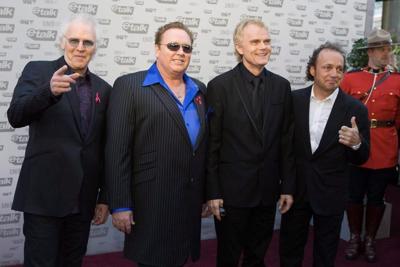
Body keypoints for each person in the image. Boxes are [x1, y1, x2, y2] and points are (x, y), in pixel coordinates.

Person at [7, 15, 110, 267]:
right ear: (62, 42)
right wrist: (47, 92)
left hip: (82, 202)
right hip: (43, 199)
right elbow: (15, 116)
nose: (80, 47)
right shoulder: (39, 71)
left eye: (87, 42)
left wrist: (105, 197)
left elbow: (105, 147)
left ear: (95, 48)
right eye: (74, 40)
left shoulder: (104, 89)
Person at [105, 22, 208, 267]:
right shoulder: (129, 86)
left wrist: (204, 194)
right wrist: (119, 203)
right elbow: (117, 149)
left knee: (179, 259)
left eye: (187, 47)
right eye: (173, 45)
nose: (181, 52)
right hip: (149, 202)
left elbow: (201, 148)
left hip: (188, 201)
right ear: (156, 49)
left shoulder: (200, 90)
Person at [206, 19, 295, 267]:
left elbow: (286, 141)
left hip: (267, 190)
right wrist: (213, 191)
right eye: (255, 41)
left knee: (257, 256)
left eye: (267, 41)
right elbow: (212, 144)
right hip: (231, 192)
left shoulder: (281, 86)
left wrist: (287, 186)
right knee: (228, 256)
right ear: (239, 47)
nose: (263, 46)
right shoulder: (219, 86)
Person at [279, 42, 370, 267]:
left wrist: (357, 143)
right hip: (296, 192)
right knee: (289, 251)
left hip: (331, 194)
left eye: (339, 69)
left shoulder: (356, 110)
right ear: (313, 70)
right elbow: (285, 150)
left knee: (325, 255)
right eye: (327, 67)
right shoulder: (293, 100)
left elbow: (363, 157)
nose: (334, 73)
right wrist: (285, 187)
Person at [341, 28, 400, 263]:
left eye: (389, 48)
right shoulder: (350, 78)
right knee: (354, 196)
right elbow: (340, 113)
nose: (388, 52)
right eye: (383, 49)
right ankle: (355, 237)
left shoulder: (397, 80)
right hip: (356, 148)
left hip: (385, 149)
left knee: (376, 197)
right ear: (372, 51)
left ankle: (370, 239)